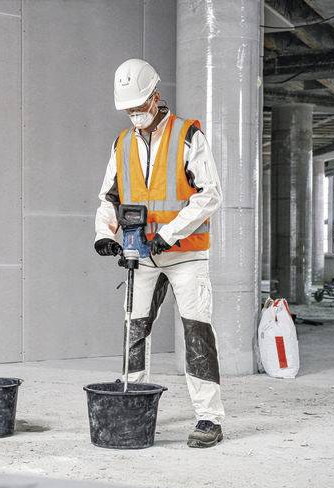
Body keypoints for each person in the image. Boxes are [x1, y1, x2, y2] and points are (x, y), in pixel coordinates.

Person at [94, 58, 225, 448]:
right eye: (128, 109)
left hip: (185, 255)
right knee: (135, 327)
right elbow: (109, 197)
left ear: (155, 97)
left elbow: (209, 195)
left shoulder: (188, 136)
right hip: (142, 255)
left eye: (139, 106)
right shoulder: (121, 144)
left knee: (197, 332)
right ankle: (132, 398)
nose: (135, 115)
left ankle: (208, 417)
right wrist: (106, 233)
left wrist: (168, 235)